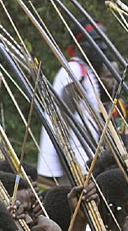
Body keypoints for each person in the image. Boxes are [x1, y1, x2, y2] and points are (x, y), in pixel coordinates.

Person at [37, 22, 112, 185]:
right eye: (97, 41)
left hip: (84, 163)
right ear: (83, 46)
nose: (103, 47)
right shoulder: (74, 72)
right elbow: (60, 122)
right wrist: (71, 169)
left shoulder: (86, 71)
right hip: (74, 166)